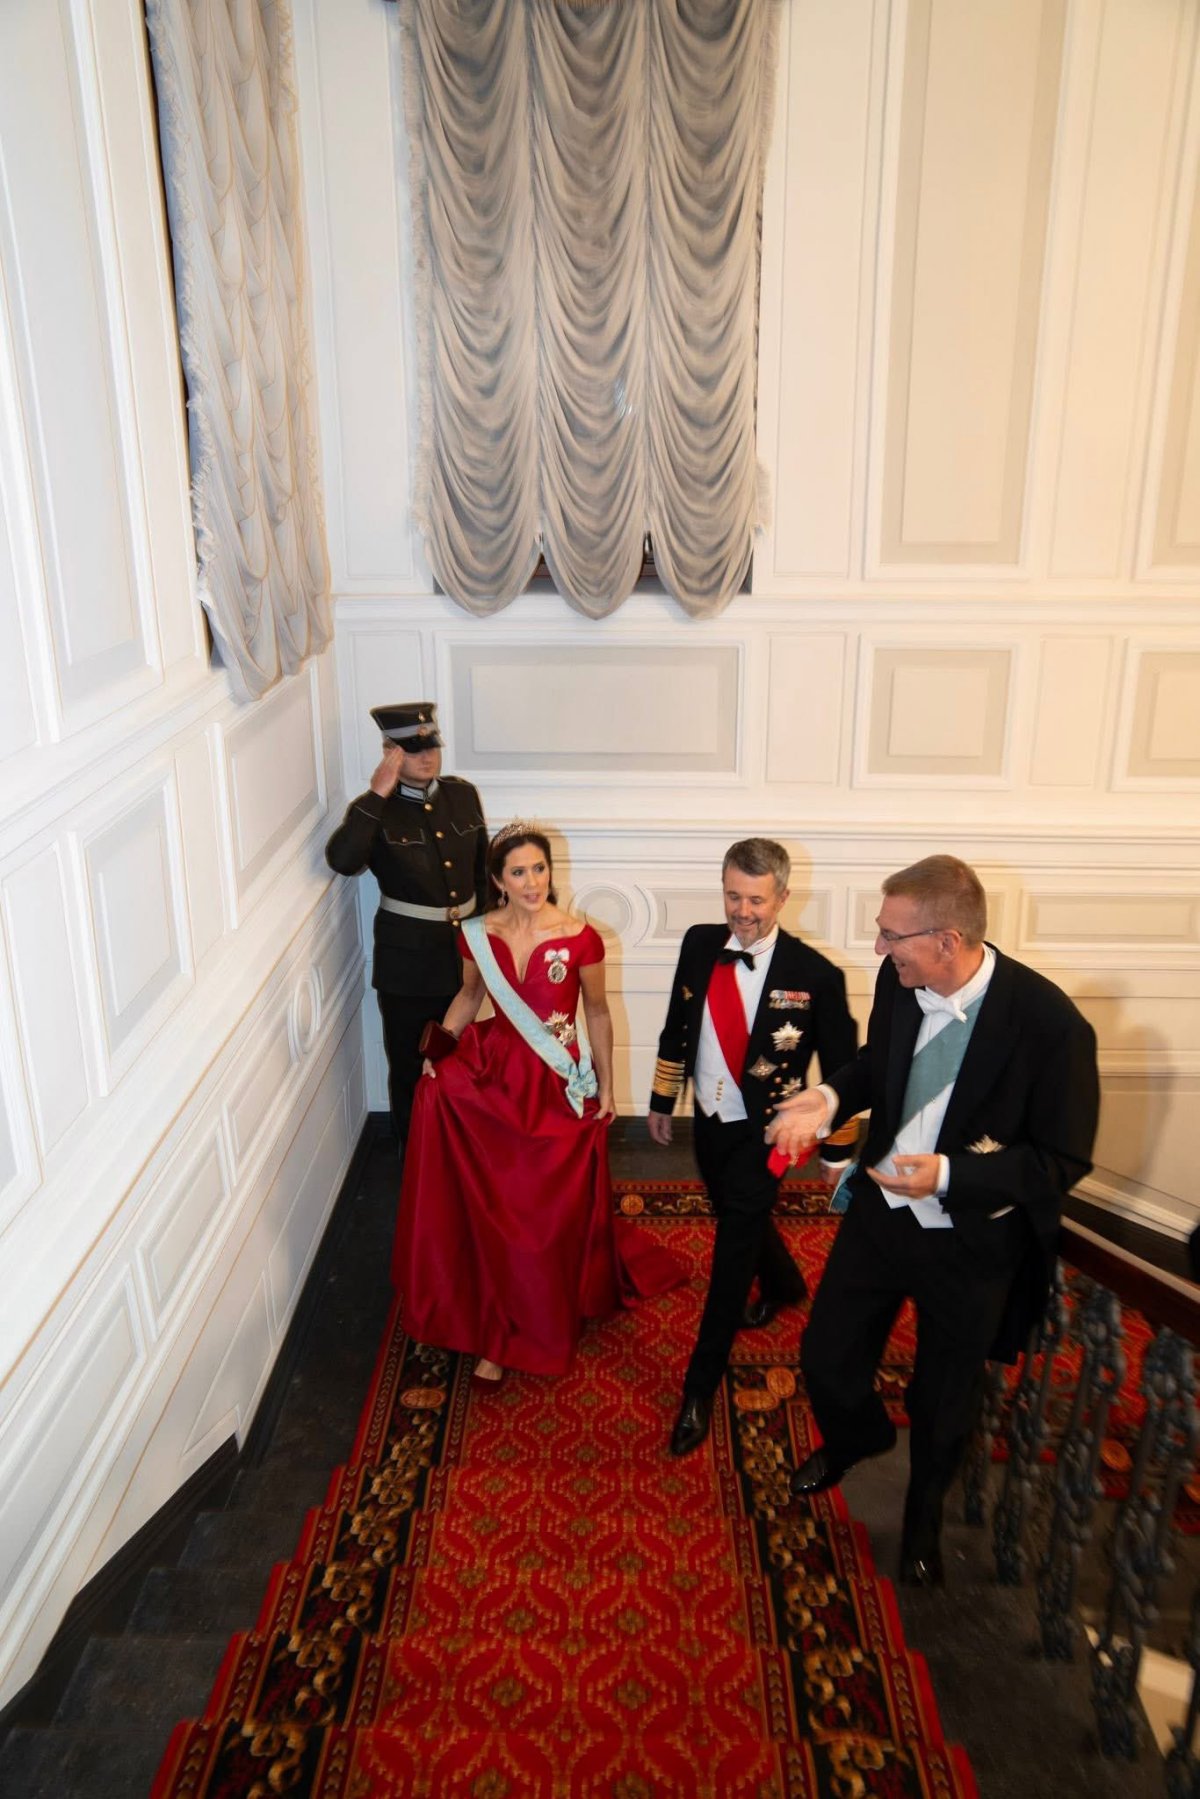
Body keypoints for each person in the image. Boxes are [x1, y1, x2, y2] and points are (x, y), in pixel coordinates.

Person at [769, 854, 1099, 1588]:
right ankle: (859, 1434)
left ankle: (922, 1520)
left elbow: (1062, 1160)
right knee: (826, 1356)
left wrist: (952, 1174)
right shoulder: (901, 979)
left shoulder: (1051, 1026)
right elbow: (875, 1063)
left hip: (972, 1241)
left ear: (946, 939)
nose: (879, 950)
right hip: (882, 1216)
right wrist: (827, 1099)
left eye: (892, 935)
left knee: (944, 1399)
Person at [391, 822, 681, 1383]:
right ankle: (498, 1316)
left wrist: (605, 1084)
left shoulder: (581, 937)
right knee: (488, 1185)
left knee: (537, 1211)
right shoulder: (477, 933)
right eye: (519, 872)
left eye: (540, 869)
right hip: (496, 1075)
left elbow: (595, 1012)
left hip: (555, 1083)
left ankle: (536, 1309)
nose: (532, 882)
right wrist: (439, 1051)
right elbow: (470, 995)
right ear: (499, 880)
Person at [648, 838, 858, 1457]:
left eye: (757, 900)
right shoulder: (697, 942)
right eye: (734, 896)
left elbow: (845, 1073)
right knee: (734, 1211)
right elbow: (675, 1025)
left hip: (767, 1132)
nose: (744, 911)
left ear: (784, 897)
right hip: (711, 1119)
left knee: (731, 1254)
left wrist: (836, 1151)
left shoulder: (817, 976)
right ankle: (788, 1285)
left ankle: (698, 1385)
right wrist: (664, 1100)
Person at [325, 701, 487, 1145]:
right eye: (412, 750)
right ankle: (416, 1161)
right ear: (389, 752)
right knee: (412, 1066)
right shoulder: (374, 809)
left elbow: (481, 876)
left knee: (467, 1062)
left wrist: (489, 948)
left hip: (467, 961)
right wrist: (378, 793)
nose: (426, 756)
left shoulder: (462, 795)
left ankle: (462, 1154)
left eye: (430, 745)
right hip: (408, 968)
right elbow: (342, 860)